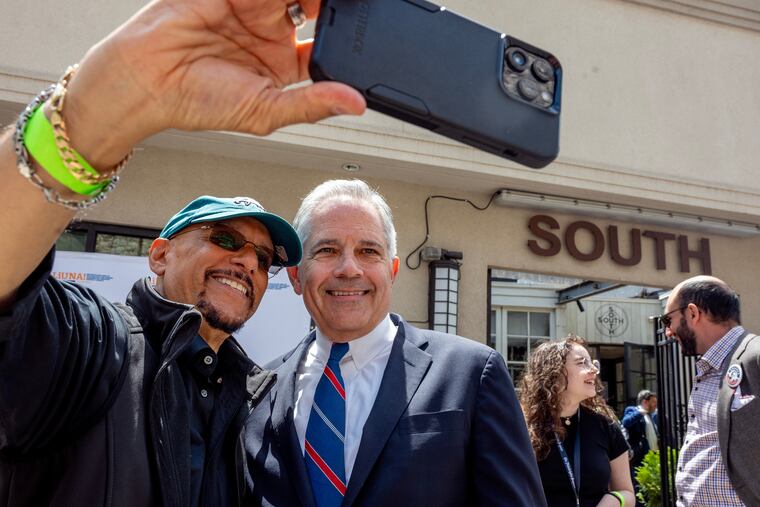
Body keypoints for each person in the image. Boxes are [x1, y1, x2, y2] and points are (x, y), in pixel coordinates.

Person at [0, 0, 365, 504]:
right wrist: (91, 113)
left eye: (263, 259)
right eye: (226, 240)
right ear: (160, 255)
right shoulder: (93, 344)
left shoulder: (256, 397)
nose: (248, 263)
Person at [244, 179, 547, 506]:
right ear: (296, 276)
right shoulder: (260, 390)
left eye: (368, 251)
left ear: (392, 270)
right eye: (327, 250)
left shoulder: (471, 375)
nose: (349, 268)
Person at [666, 276, 760, 506]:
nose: (668, 332)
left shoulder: (755, 356)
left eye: (667, 320)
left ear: (693, 313)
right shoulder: (708, 367)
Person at [519, 336, 635, 507]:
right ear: (554, 373)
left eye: (592, 363)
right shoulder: (521, 427)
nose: (594, 370)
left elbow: (628, 493)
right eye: (582, 363)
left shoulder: (606, 427)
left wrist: (614, 500)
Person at [622, 390, 658, 507]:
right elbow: (626, 422)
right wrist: (640, 412)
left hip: (651, 457)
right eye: (653, 402)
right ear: (645, 402)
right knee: (638, 488)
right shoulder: (633, 410)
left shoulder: (651, 416)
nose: (655, 405)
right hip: (638, 458)